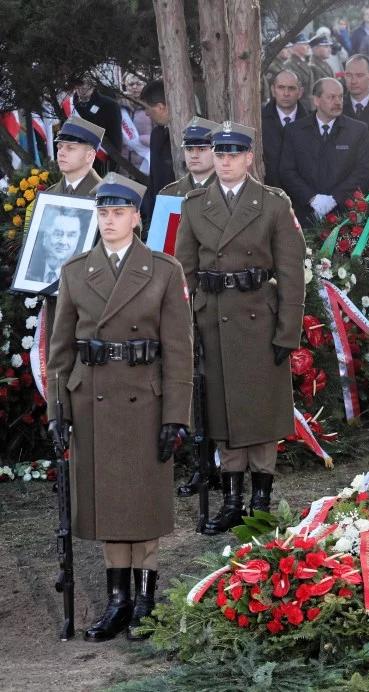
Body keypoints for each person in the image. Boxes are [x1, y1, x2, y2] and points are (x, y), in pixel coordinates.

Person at [46, 172, 193, 642]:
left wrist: (176, 415)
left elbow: (178, 351)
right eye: (103, 213)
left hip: (143, 401)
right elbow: (60, 352)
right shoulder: (76, 271)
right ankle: (118, 601)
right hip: (94, 401)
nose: (109, 221)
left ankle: (146, 598)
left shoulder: (164, 271)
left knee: (143, 502)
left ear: (136, 217)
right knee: (110, 502)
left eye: (118, 213)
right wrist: (57, 410)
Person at [174, 122, 305, 535]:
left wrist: (288, 332)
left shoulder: (272, 205)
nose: (226, 161)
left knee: (261, 413)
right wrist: (185, 331)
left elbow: (290, 274)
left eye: (234, 154)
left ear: (250, 157)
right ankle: (231, 500)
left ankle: (260, 499)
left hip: (259, 320)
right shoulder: (195, 205)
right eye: (220, 154)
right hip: (213, 320)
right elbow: (185, 275)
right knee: (222, 413)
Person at [278, 78, 369, 224]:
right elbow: (287, 171)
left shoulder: (357, 130)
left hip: (345, 216)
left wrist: (335, 198)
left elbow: (364, 171)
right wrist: (312, 198)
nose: (337, 101)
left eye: (340, 96)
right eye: (331, 97)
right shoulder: (295, 131)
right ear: (316, 100)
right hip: (304, 215)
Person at [261, 69, 309, 189]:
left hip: (302, 195)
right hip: (269, 193)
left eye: (291, 88)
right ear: (273, 90)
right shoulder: (259, 120)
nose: (286, 93)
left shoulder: (312, 122)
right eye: (281, 87)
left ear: (300, 92)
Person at [65, 80, 124, 175]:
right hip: (74, 164)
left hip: (100, 164)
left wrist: (113, 169)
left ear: (94, 83)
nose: (83, 86)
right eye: (80, 82)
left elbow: (116, 141)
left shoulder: (110, 105)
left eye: (88, 82)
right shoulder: (67, 106)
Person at [140, 80, 174, 222]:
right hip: (159, 212)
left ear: (161, 107)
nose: (147, 114)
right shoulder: (156, 134)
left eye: (147, 108)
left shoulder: (191, 135)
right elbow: (154, 178)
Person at [160, 117, 220, 197]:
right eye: (189, 149)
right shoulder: (169, 194)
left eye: (202, 149)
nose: (194, 155)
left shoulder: (231, 192)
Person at [49, 115, 105, 197]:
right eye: (60, 147)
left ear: (89, 155)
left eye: (70, 148)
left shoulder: (105, 198)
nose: (61, 153)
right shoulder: (49, 193)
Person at [29, 212, 84, 284]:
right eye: (58, 234)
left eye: (71, 235)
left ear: (77, 240)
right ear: (45, 237)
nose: (63, 242)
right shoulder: (29, 268)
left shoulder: (81, 276)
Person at [284, 35, 315, 107]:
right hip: (298, 104)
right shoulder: (289, 65)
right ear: (294, 46)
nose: (308, 47)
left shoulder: (304, 62)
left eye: (307, 44)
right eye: (304, 44)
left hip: (309, 105)